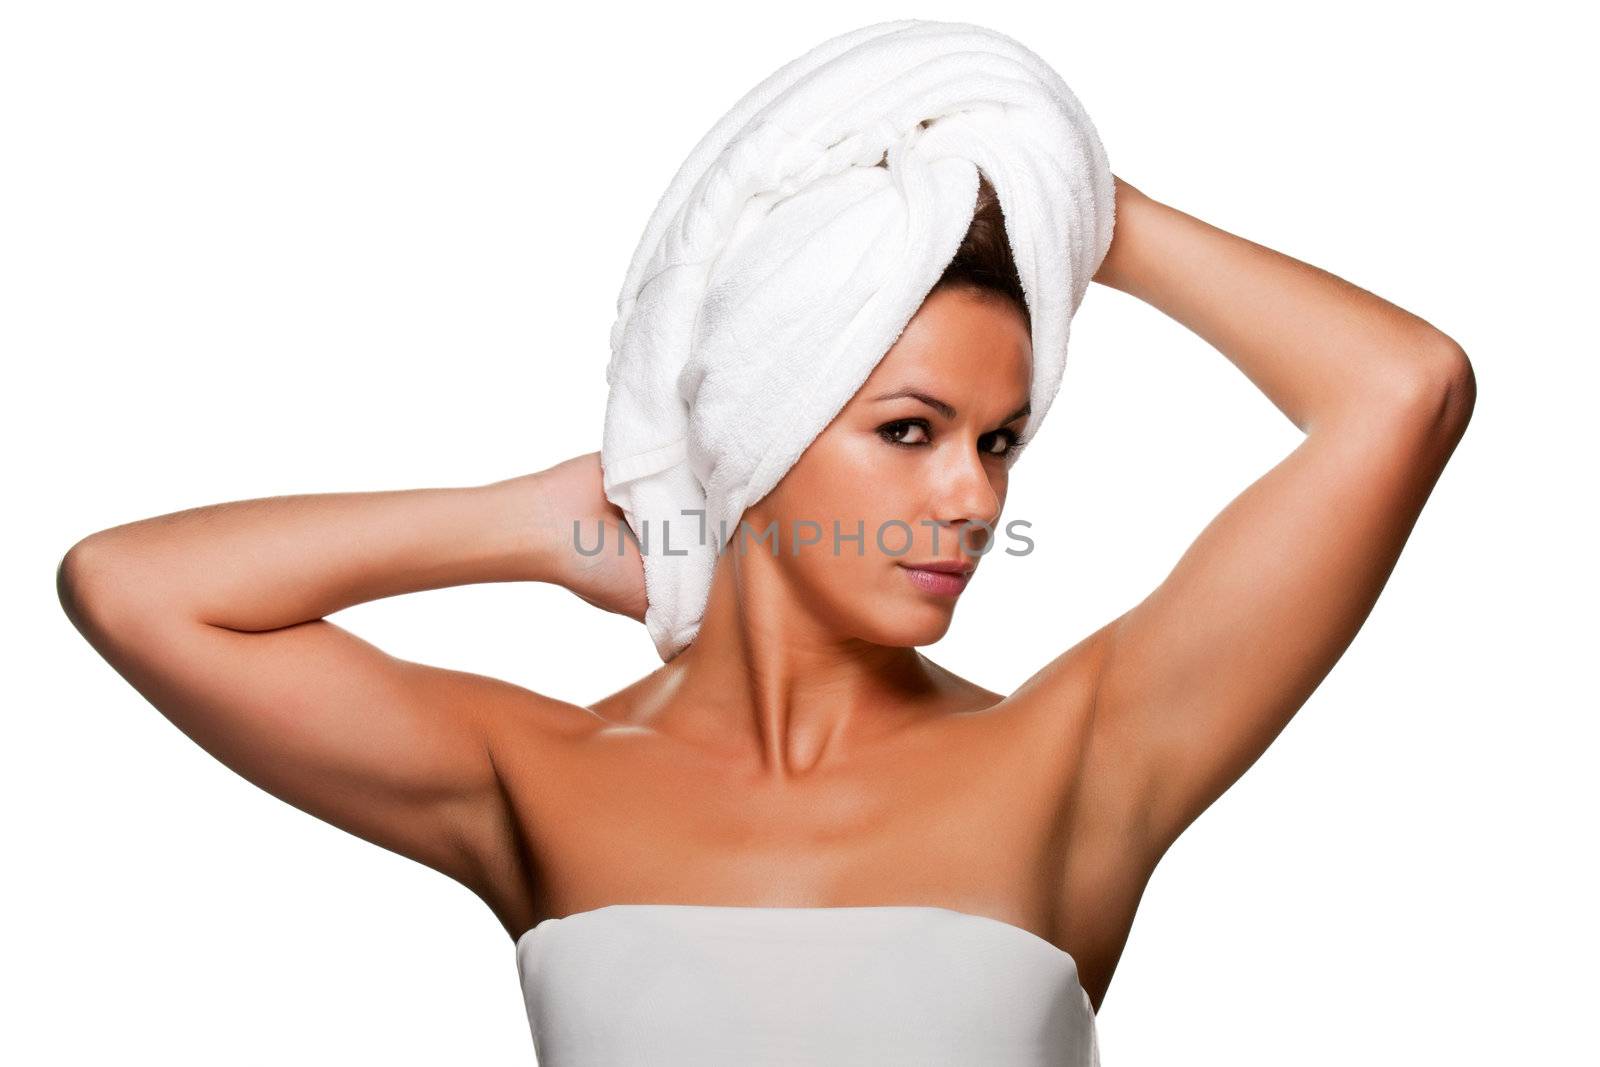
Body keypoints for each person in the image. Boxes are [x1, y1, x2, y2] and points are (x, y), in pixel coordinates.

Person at [56, 170, 1474, 1063]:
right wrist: (535, 524)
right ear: (756, 425)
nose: (972, 498)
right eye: (910, 429)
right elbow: (133, 587)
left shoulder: (1080, 759)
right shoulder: (532, 775)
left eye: (999, 443)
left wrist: (1067, 195)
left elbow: (1401, 390)